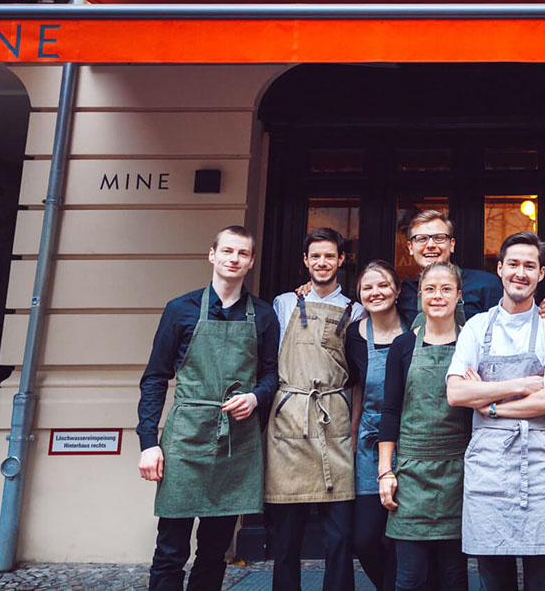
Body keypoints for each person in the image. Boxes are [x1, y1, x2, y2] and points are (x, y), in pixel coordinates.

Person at [137, 226, 277, 591]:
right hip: (184, 441)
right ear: (212, 254)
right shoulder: (179, 309)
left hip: (237, 444)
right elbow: (154, 378)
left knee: (215, 552)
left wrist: (256, 397)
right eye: (228, 251)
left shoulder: (262, 315)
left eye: (242, 254)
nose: (234, 259)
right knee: (170, 549)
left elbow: (272, 373)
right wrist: (148, 442)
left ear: (251, 262)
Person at [446, 231, 545, 591]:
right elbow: (456, 393)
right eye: (514, 264)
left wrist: (489, 406)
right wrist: (521, 386)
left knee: (542, 582)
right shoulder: (476, 326)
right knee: (494, 579)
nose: (521, 273)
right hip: (487, 466)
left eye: (530, 266)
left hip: (540, 462)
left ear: (541, 274)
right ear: (500, 269)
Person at [264, 227, 364, 591]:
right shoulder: (283, 304)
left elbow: (358, 379)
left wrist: (352, 429)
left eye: (330, 256)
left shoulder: (357, 309)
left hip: (333, 421)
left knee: (339, 535)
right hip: (289, 421)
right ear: (305, 261)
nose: (322, 262)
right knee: (286, 536)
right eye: (315, 256)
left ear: (340, 260)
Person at [378, 262, 474, 591]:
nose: (437, 296)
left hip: (458, 473)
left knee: (454, 576)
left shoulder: (471, 346)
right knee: (409, 578)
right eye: (430, 289)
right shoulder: (402, 347)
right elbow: (389, 412)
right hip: (410, 473)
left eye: (446, 289)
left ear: (459, 296)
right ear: (420, 295)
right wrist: (385, 472)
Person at [347, 260, 409, 591]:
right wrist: (353, 438)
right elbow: (356, 389)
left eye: (383, 285)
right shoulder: (353, 337)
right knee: (365, 539)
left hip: (410, 443)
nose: (376, 292)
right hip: (369, 448)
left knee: (403, 537)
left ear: (397, 290)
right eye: (368, 287)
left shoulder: (415, 331)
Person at [400, 209, 545, 322]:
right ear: (410, 248)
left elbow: (518, 321)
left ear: (452, 245)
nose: (430, 245)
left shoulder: (486, 284)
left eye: (439, 238)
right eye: (421, 239)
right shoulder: (404, 292)